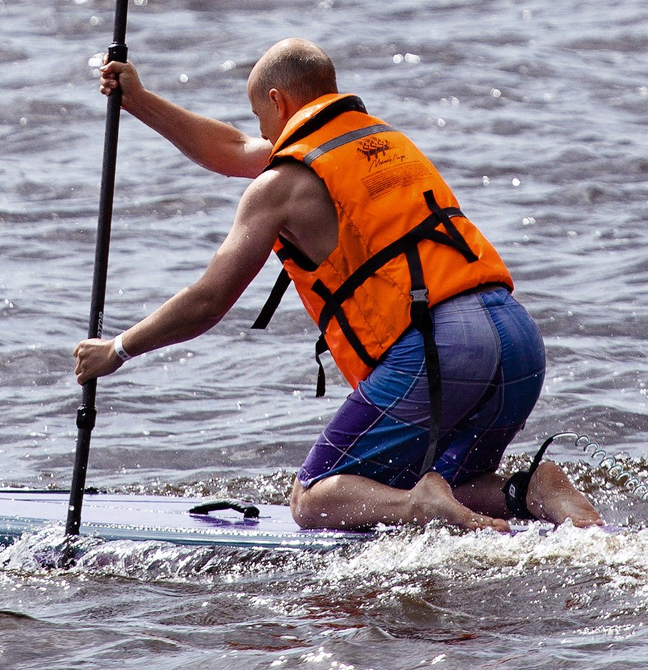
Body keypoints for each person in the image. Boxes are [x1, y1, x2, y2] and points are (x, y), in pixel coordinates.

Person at [71, 37, 601, 532]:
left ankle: (418, 505)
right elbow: (231, 149)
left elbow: (210, 300)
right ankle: (533, 490)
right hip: (516, 337)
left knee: (313, 498)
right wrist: (137, 101)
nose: (259, 134)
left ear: (277, 102)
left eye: (260, 118)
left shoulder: (280, 187)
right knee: (456, 481)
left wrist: (117, 349)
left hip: (443, 347)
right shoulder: (378, 140)